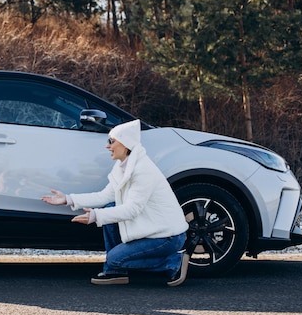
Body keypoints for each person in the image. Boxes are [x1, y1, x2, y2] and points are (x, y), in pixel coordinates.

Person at [41, 120, 190, 286]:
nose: (107, 146)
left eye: (111, 141)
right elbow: (104, 196)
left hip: (167, 237)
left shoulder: (142, 171)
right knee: (110, 207)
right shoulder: (122, 167)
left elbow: (133, 209)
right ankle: (116, 272)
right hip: (151, 229)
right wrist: (68, 199)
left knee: (113, 258)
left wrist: (96, 216)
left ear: (125, 144)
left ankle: (173, 261)